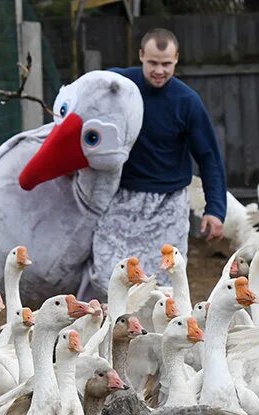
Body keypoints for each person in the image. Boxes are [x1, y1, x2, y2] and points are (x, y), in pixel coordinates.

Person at [84, 28, 227, 298]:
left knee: (162, 285)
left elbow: (209, 157)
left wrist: (215, 209)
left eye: (166, 64)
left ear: (176, 60)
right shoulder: (117, 85)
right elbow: (80, 98)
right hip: (121, 198)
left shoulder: (187, 102)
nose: (159, 70)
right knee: (107, 276)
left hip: (168, 204)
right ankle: (114, 332)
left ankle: (158, 338)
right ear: (141, 56)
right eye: (152, 63)